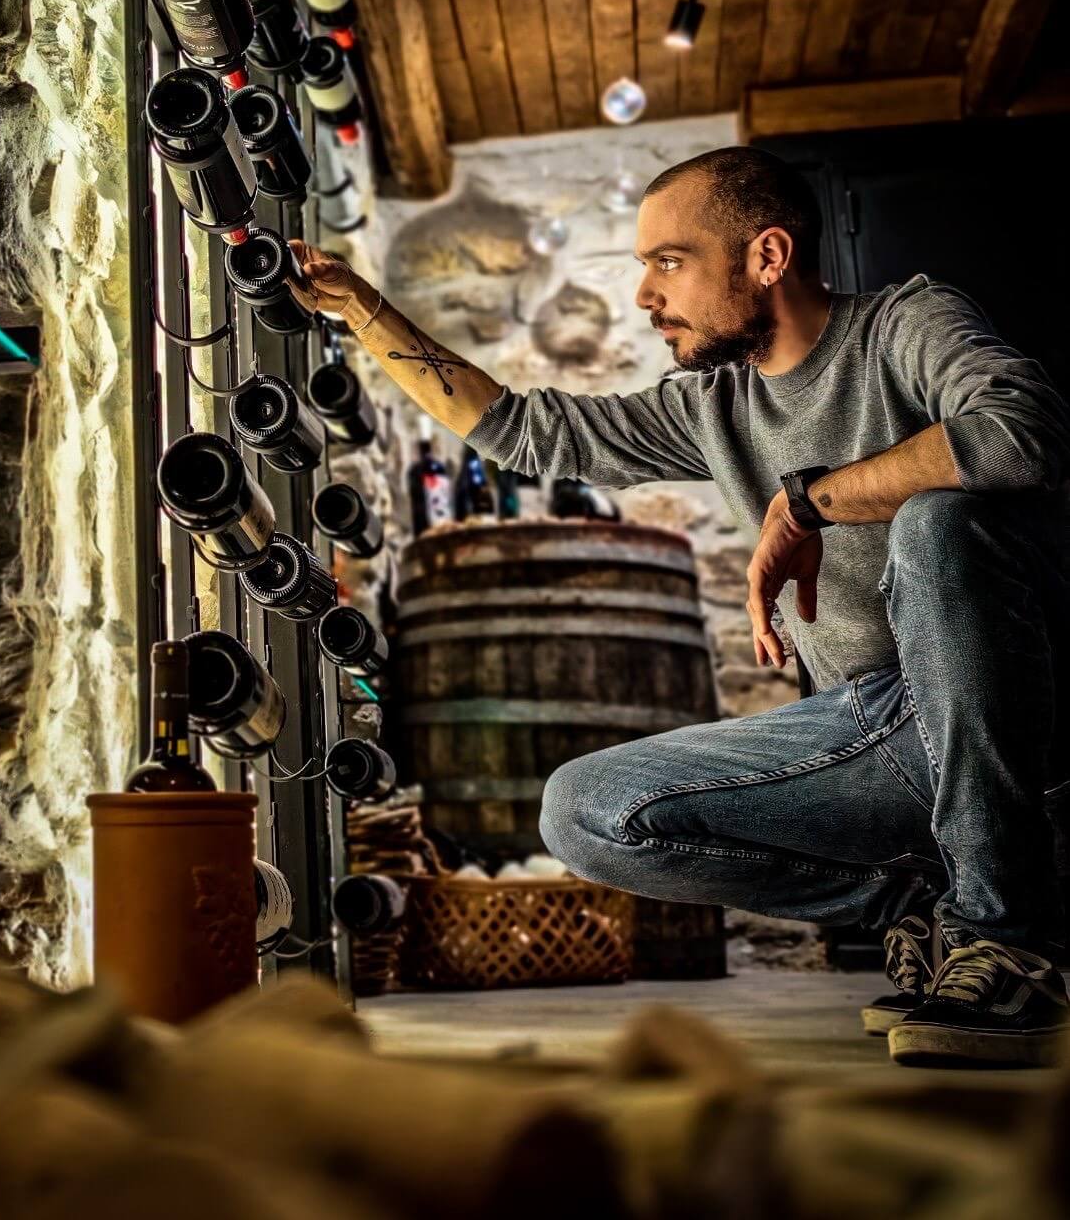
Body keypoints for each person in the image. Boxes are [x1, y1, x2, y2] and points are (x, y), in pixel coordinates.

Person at [288, 145, 1070, 1068]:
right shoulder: (713, 404)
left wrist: (809, 501)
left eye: (669, 261)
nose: (643, 295)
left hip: (1020, 713)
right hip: (876, 735)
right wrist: (361, 308)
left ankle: (1007, 938)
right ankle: (919, 907)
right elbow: (522, 428)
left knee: (937, 523)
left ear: (766, 256)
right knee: (582, 809)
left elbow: (1021, 430)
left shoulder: (906, 323)